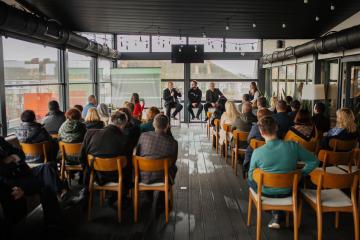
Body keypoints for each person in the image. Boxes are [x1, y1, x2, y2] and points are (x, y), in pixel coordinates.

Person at [248, 116, 319, 229]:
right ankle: (278, 213)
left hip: (266, 193)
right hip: (289, 191)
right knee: (294, 182)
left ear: (261, 132)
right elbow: (315, 161)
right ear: (276, 128)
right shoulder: (293, 146)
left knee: (251, 180)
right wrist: (301, 173)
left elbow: (251, 176)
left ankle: (275, 212)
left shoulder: (257, 152)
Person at [0, 136, 66, 226]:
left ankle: (61, 193)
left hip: (26, 172)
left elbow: (21, 153)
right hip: (14, 181)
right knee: (46, 184)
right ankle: (54, 220)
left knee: (47, 167)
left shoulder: (1, 140)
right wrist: (13, 160)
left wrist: (13, 158)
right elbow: (4, 169)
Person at [80, 111, 131, 202]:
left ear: (110, 120)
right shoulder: (125, 139)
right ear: (123, 125)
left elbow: (82, 158)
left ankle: (87, 193)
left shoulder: (90, 134)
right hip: (116, 177)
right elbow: (127, 163)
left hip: (94, 174)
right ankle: (119, 197)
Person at [136, 114, 178, 185]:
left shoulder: (143, 136)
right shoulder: (173, 142)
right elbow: (172, 161)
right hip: (163, 178)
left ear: (153, 124)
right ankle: (163, 193)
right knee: (174, 167)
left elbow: (137, 153)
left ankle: (147, 194)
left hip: (143, 176)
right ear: (168, 126)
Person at [243, 109, 273, 177]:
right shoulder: (275, 128)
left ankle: (247, 169)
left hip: (254, 153)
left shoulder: (255, 127)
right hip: (271, 155)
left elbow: (248, 140)